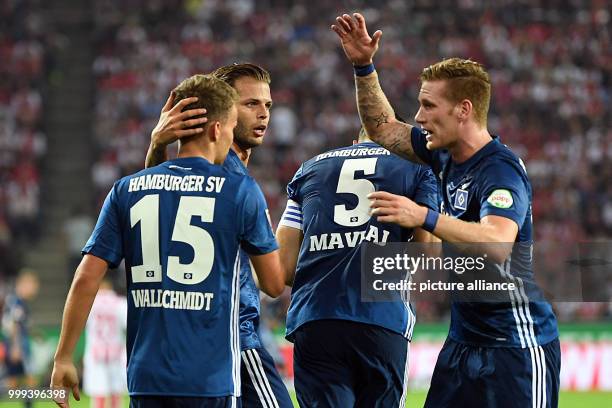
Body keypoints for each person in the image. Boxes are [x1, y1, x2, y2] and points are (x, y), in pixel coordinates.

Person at [332, 13, 560, 408]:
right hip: (462, 344)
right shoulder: (443, 156)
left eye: (427, 105)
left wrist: (424, 217)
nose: (418, 117)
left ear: (463, 110)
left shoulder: (499, 170)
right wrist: (363, 67)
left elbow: (498, 242)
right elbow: (384, 128)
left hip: (516, 347)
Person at [50, 74, 286, 408]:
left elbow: (86, 277)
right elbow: (274, 282)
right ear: (217, 130)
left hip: (146, 377)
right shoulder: (240, 191)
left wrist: (63, 358)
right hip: (211, 378)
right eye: (232, 126)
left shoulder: (125, 189)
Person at [145, 63, 293, 408]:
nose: (263, 115)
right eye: (250, 104)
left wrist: (156, 147)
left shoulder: (227, 172)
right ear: (223, 110)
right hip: (236, 340)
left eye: (267, 105)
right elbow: (273, 282)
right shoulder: (225, 176)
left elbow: (158, 199)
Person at [275, 126, 438, 407]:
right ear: (401, 142)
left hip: (315, 318)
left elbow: (284, 268)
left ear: (355, 142)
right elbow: (427, 253)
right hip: (381, 318)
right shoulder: (418, 169)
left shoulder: (309, 170)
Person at [82, 279, 127, 408]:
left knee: (98, 390)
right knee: (116, 390)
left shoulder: (89, 302)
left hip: (95, 351)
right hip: (115, 351)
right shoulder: (120, 303)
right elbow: (129, 324)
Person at [2, 269, 39, 408]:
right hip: (18, 345)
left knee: (15, 382)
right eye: (33, 285)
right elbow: (14, 325)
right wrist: (16, 347)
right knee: (29, 379)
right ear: (24, 284)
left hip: (17, 343)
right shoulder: (17, 301)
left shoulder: (16, 300)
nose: (35, 289)